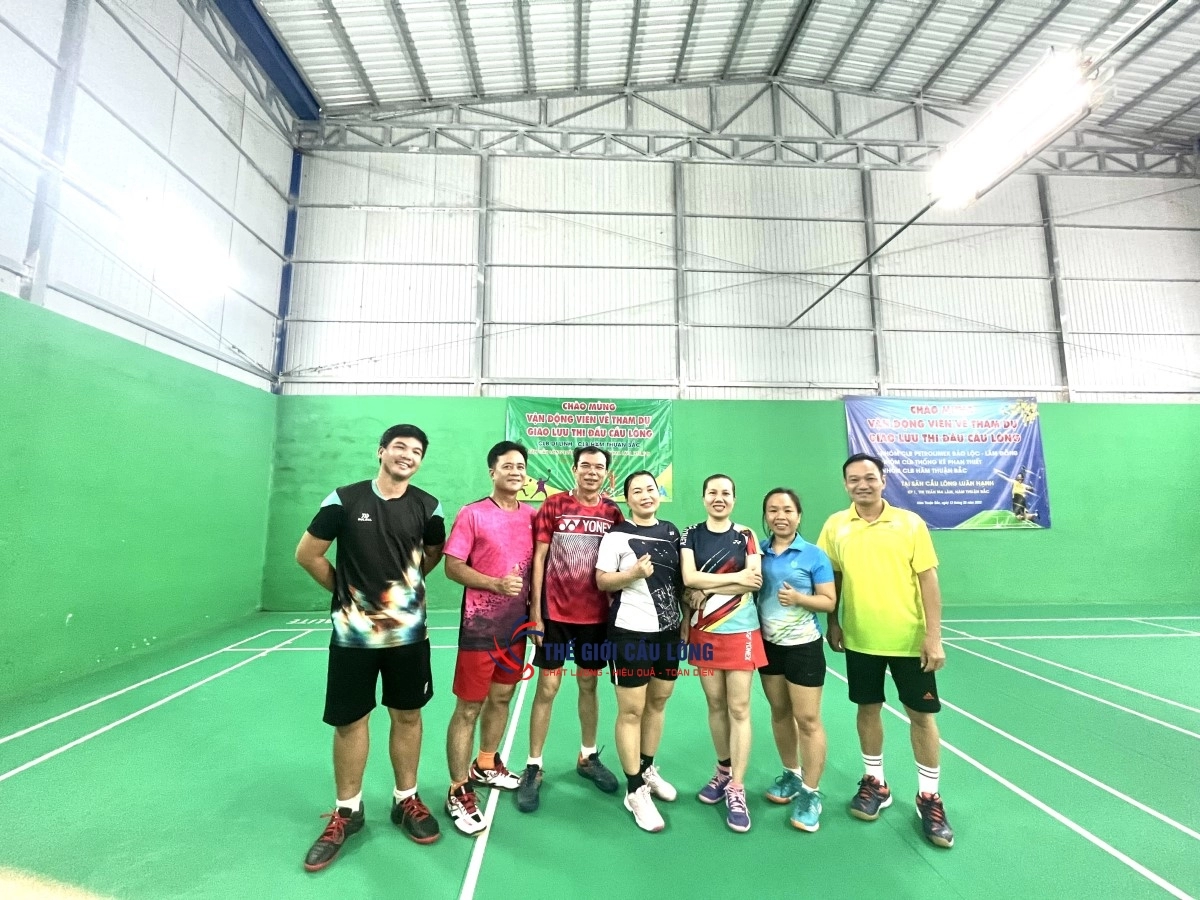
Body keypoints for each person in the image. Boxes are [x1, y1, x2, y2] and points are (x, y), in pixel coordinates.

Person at [295, 424, 446, 872]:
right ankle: (348, 811)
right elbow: (308, 555)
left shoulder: (429, 507)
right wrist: (346, 594)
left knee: (408, 716)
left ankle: (406, 800)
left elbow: (431, 556)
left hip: (409, 637)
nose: (407, 455)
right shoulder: (343, 499)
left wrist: (401, 597)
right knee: (350, 721)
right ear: (381, 451)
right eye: (399, 447)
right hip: (353, 637)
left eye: (416, 451)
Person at [818, 453, 954, 849]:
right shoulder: (836, 525)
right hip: (861, 639)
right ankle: (875, 783)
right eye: (854, 479)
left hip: (909, 640)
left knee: (922, 717)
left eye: (869, 477)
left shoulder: (910, 524)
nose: (862, 484)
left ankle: (929, 796)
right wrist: (833, 621)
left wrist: (933, 636)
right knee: (868, 709)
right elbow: (832, 577)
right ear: (845, 484)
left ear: (883, 480)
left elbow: (928, 581)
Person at [517, 446, 624, 811]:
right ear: (574, 469)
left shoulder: (613, 513)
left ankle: (588, 756)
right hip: (556, 615)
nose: (592, 472)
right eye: (585, 466)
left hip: (596, 618)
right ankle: (534, 765)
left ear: (606, 474)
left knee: (588, 684)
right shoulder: (554, 506)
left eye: (599, 467)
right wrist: (535, 612)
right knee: (547, 687)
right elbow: (539, 559)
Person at [441, 441, 537, 835]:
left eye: (520, 466)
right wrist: (494, 584)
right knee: (468, 708)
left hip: (515, 631)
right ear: (492, 472)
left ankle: (485, 764)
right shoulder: (473, 514)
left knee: (501, 698)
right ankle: (457, 787)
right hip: (480, 629)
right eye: (507, 466)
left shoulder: (532, 516)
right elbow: (452, 567)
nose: (515, 472)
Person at [595, 471, 683, 832]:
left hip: (668, 633)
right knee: (631, 711)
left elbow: (679, 581)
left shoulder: (673, 532)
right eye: (637, 491)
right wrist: (631, 573)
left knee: (658, 703)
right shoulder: (616, 536)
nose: (646, 495)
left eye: (650, 489)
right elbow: (602, 580)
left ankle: (646, 769)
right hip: (630, 633)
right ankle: (634, 791)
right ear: (627, 498)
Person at [681, 474, 764, 833]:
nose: (719, 498)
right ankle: (722, 771)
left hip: (741, 630)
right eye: (712, 492)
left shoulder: (746, 535)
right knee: (715, 704)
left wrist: (708, 584)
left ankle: (737, 788)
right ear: (703, 498)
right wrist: (734, 580)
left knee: (739, 707)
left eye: (725, 493)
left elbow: (754, 580)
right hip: (704, 631)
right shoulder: (690, 534)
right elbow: (689, 578)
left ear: (734, 498)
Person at [756, 488, 836, 833]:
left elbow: (829, 601)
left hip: (804, 647)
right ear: (766, 516)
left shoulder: (814, 555)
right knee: (779, 712)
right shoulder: (757, 552)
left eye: (787, 510)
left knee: (808, 719)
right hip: (768, 646)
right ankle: (791, 773)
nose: (780, 516)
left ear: (798, 516)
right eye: (773, 510)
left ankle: (811, 792)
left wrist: (800, 598)